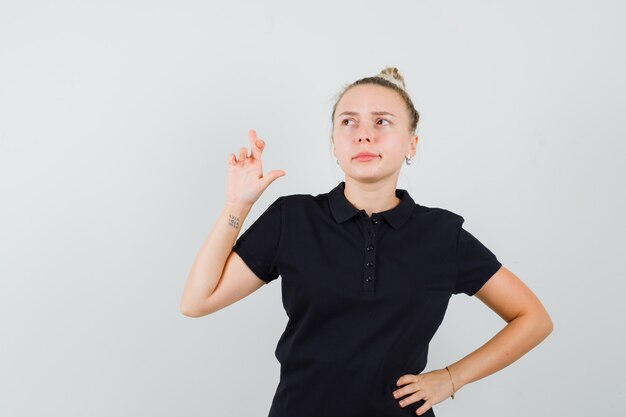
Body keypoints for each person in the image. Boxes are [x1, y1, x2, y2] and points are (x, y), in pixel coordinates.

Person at [180, 67, 554, 417]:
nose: (363, 134)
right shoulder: (291, 219)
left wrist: (452, 377)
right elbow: (198, 301)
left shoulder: (442, 235)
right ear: (334, 144)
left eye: (382, 122)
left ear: (412, 144)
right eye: (349, 122)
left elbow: (533, 319)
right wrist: (237, 205)